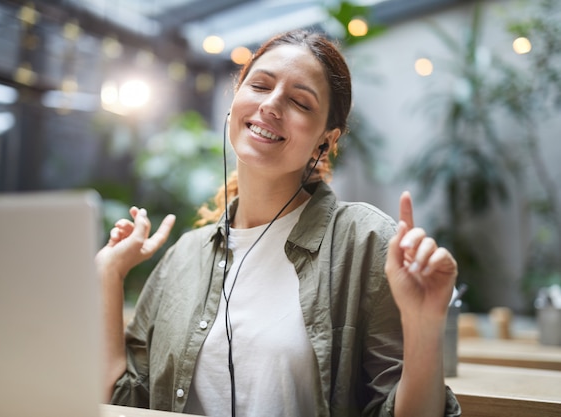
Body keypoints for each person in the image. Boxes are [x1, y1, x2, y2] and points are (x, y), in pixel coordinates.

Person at [95, 29, 462, 417]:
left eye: (300, 102)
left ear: (325, 140)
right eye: (259, 85)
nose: (270, 105)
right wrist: (107, 273)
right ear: (235, 98)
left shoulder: (366, 241)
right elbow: (125, 402)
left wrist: (425, 327)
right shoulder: (185, 256)